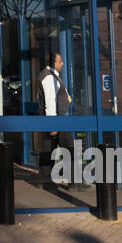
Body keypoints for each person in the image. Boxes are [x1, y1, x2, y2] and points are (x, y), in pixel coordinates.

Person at [40, 53, 73, 186]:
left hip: (57, 119)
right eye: (60, 61)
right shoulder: (48, 77)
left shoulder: (52, 75)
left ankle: (46, 181)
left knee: (49, 150)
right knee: (69, 149)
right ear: (54, 63)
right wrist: (52, 125)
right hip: (57, 120)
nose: (62, 63)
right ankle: (74, 182)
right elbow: (50, 101)